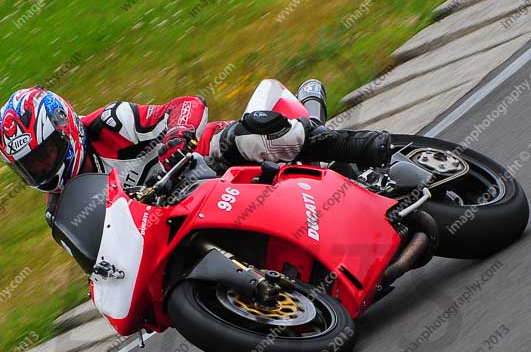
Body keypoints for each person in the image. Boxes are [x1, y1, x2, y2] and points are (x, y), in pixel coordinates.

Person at [0, 81, 390, 226]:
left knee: (248, 138)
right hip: (175, 221)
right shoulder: (61, 210)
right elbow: (95, 265)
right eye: (30, 165)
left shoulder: (111, 124)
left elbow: (186, 103)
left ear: (64, 129)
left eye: (45, 154)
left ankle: (358, 145)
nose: (43, 168)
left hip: (212, 167)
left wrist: (178, 134)